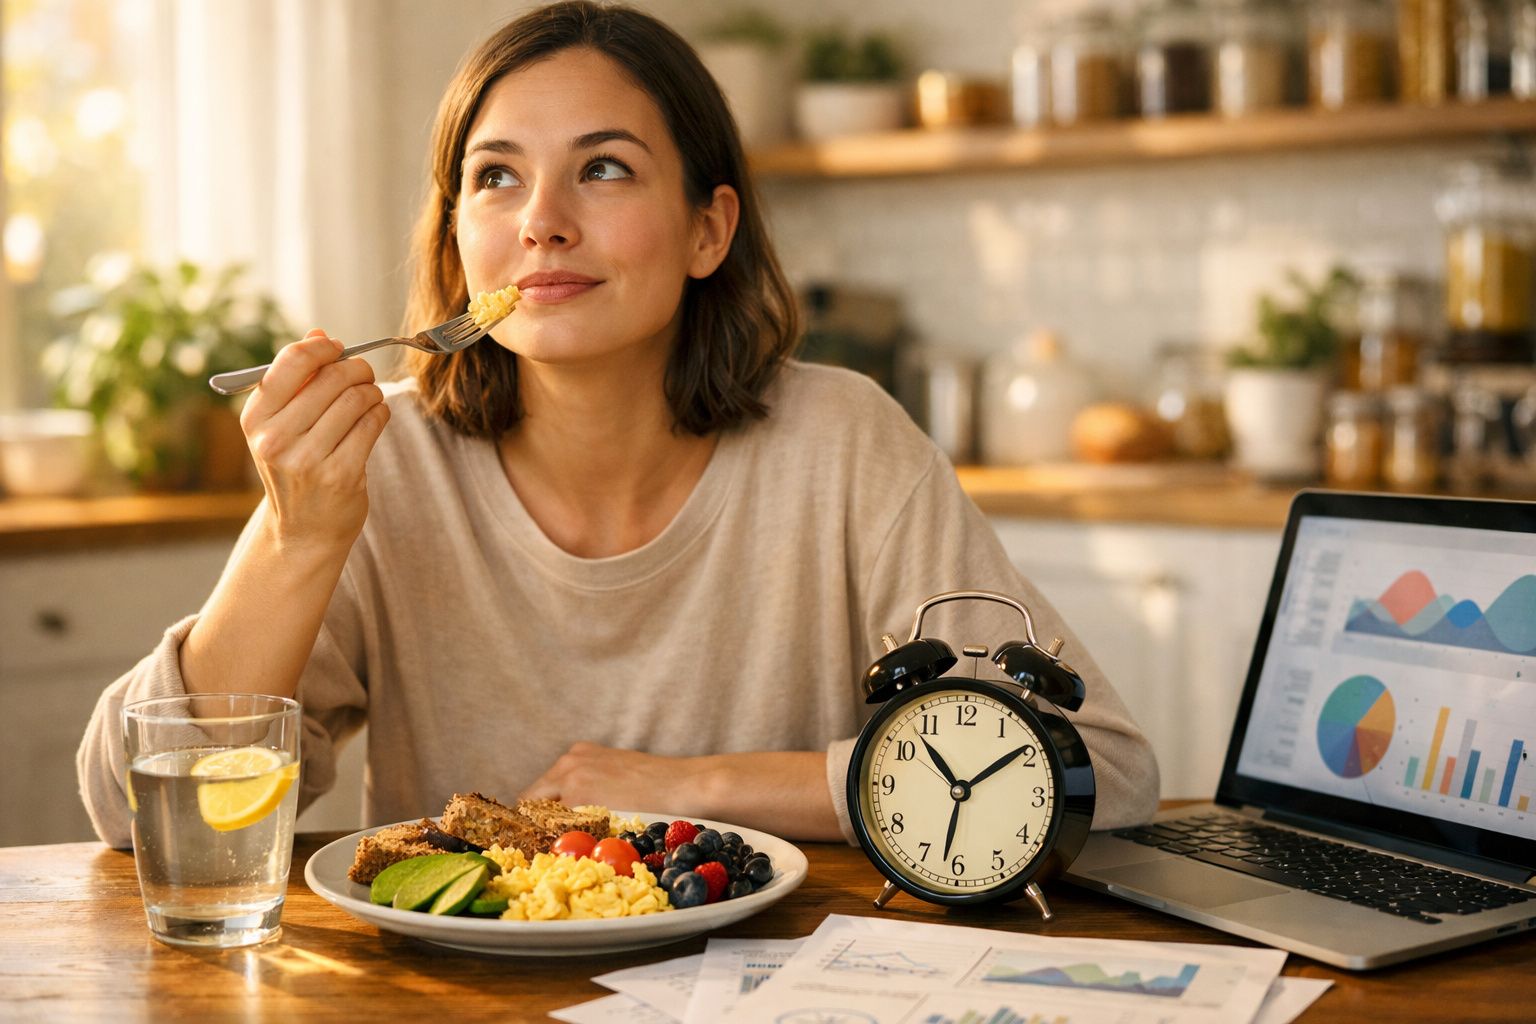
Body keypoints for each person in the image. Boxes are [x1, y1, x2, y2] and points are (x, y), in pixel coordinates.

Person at [77, 1, 1158, 849]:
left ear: (707, 229)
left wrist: (698, 789)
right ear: (459, 246)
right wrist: (298, 536)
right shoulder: (384, 468)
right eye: (495, 177)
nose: (543, 220)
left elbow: (1090, 767)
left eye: (603, 168)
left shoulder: (844, 444)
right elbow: (137, 814)